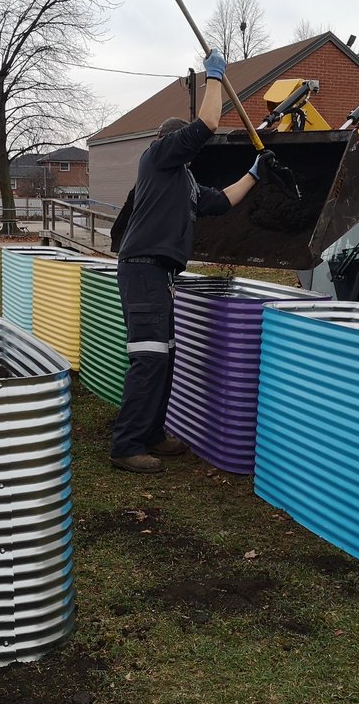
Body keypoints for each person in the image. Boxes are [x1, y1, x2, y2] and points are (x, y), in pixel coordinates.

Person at [109, 47, 275, 474]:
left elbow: (222, 201)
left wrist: (255, 174)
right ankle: (126, 445)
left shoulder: (183, 181)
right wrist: (214, 77)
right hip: (142, 270)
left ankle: (150, 434)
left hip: (159, 276)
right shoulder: (158, 156)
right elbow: (209, 123)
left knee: (163, 357)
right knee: (148, 358)